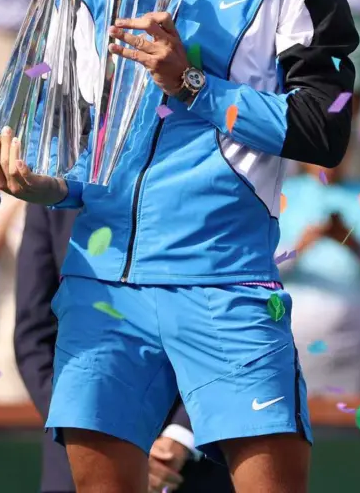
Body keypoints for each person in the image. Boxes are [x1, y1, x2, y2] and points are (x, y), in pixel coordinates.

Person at [0, 0, 358, 493]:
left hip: (228, 284)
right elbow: (77, 167)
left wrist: (191, 84)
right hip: (104, 289)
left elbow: (325, 131)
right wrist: (39, 184)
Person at [16, 203, 237, 493]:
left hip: (190, 466)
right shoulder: (52, 194)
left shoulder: (207, 181)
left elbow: (228, 321)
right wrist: (87, 429)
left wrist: (180, 437)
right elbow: (33, 336)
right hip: (78, 463)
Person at [276, 159, 360, 394]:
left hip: (354, 350)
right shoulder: (283, 195)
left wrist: (350, 241)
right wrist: (300, 247)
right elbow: (262, 265)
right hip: (296, 347)